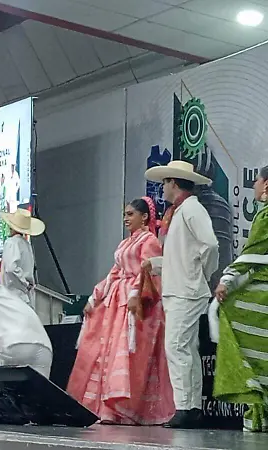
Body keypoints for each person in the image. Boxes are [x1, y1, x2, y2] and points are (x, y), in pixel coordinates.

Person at [68, 198, 175, 425]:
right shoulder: (125, 243)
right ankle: (108, 409)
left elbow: (149, 275)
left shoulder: (150, 241)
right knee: (111, 352)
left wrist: (135, 294)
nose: (126, 218)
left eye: (130, 214)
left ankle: (127, 407)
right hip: (119, 302)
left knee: (130, 355)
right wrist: (95, 297)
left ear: (144, 216)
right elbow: (114, 273)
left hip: (138, 306)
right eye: (125, 214)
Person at [143, 160, 219, 428]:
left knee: (176, 347)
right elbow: (183, 256)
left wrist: (201, 273)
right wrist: (156, 264)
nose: (163, 187)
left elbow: (210, 244)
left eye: (165, 182)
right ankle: (190, 406)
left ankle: (186, 406)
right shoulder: (179, 212)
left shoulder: (191, 209)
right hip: (180, 288)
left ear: (174, 182)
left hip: (185, 290)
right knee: (185, 348)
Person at [210, 165, 268, 432]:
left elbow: (252, 253)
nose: (254, 185)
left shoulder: (266, 216)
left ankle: (257, 401)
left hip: (263, 291)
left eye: (256, 181)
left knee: (233, 313)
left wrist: (226, 280)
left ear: (266, 185)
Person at [0, 209, 41, 307]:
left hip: (14, 295)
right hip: (25, 296)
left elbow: (11, 268)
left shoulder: (12, 243)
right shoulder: (26, 244)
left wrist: (24, 283)